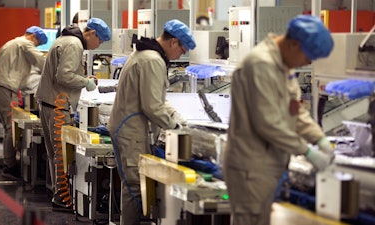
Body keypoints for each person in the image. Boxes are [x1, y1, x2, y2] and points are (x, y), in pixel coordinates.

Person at [222, 14, 334, 225]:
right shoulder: (260, 65)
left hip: (267, 165)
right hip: (250, 167)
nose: (307, 63)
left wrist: (320, 140)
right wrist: (307, 151)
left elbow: (296, 111)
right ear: (293, 44)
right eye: (307, 57)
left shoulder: (284, 67)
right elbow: (268, 123)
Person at [108, 19, 196, 225]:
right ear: (173, 42)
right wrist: (175, 127)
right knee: (135, 187)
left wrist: (175, 116)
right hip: (130, 131)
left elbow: (156, 100)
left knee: (134, 186)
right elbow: (152, 106)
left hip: (128, 128)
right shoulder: (153, 60)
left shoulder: (144, 54)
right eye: (182, 50)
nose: (179, 56)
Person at [35, 17, 111, 211]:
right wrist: (85, 83)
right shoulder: (74, 44)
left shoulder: (66, 39)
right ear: (92, 33)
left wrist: (84, 78)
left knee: (55, 154)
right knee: (62, 155)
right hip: (58, 106)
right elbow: (64, 75)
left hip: (49, 103)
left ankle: (59, 196)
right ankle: (62, 199)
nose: (97, 46)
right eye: (99, 41)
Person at [0, 26, 48, 180]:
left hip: (1, 87)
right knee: (11, 127)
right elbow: (41, 62)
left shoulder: (10, 44)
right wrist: (55, 72)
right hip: (6, 89)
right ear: (33, 37)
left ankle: (9, 164)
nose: (36, 46)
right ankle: (9, 167)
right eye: (37, 43)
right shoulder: (25, 43)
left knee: (8, 128)